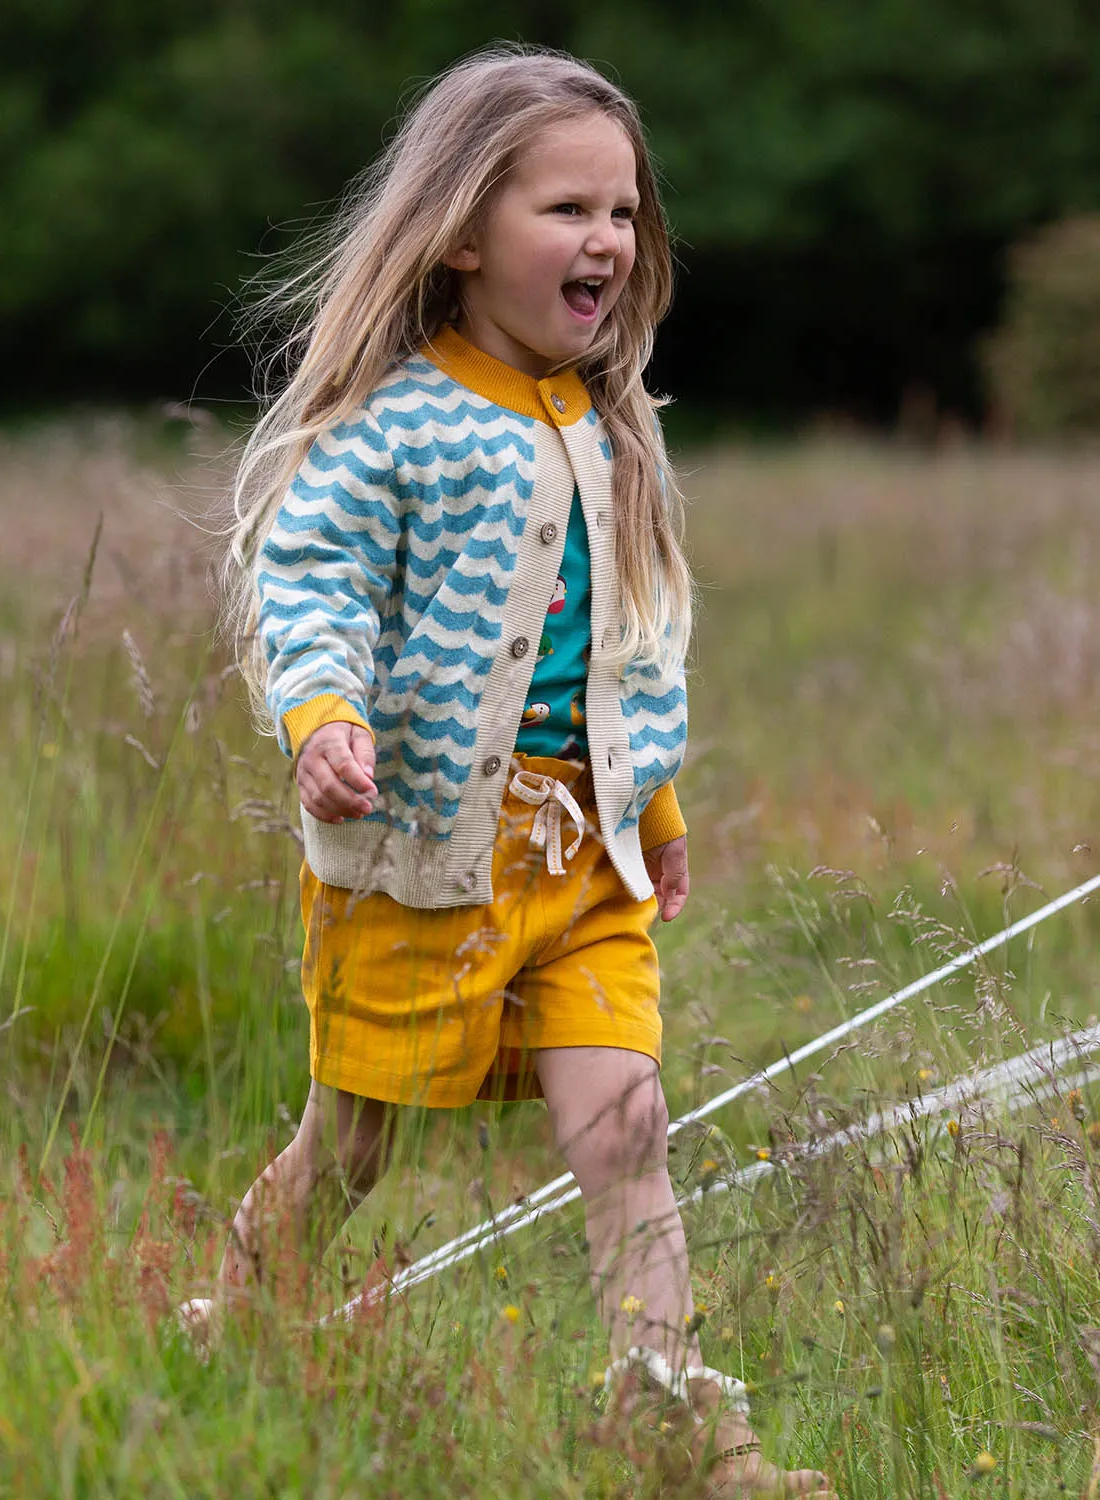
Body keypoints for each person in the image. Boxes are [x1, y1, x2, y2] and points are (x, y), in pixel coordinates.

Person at [196, 43, 835, 1499]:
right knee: (352, 1144)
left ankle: (673, 1420)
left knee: (626, 1128)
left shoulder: (613, 426)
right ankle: (236, 1321)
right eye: (566, 209)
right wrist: (322, 720)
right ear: (464, 231)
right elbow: (307, 584)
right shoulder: (399, 423)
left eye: (622, 211)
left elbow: (634, 644)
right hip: (424, 845)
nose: (604, 238)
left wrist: (651, 802)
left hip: (584, 860)